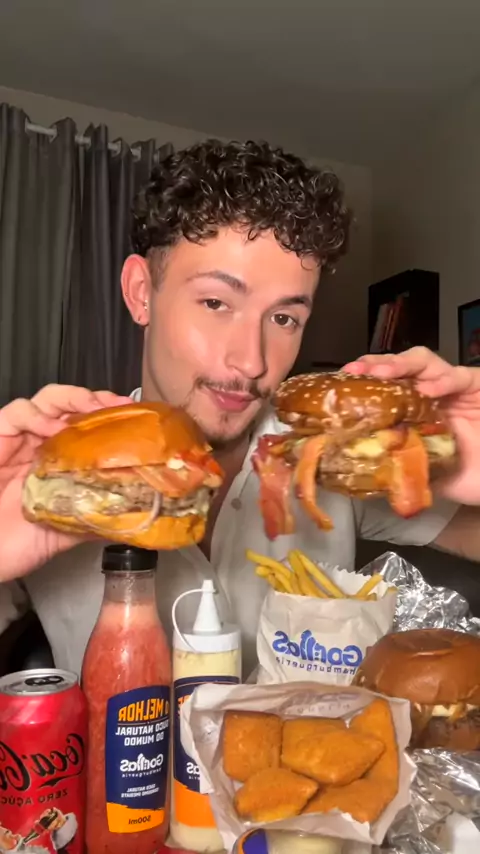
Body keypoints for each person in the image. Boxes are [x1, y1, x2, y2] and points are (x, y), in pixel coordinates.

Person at [0, 139, 479, 679]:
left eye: (284, 319)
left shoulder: (329, 459)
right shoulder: (55, 477)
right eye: (215, 302)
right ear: (140, 292)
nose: (252, 361)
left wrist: (470, 463)